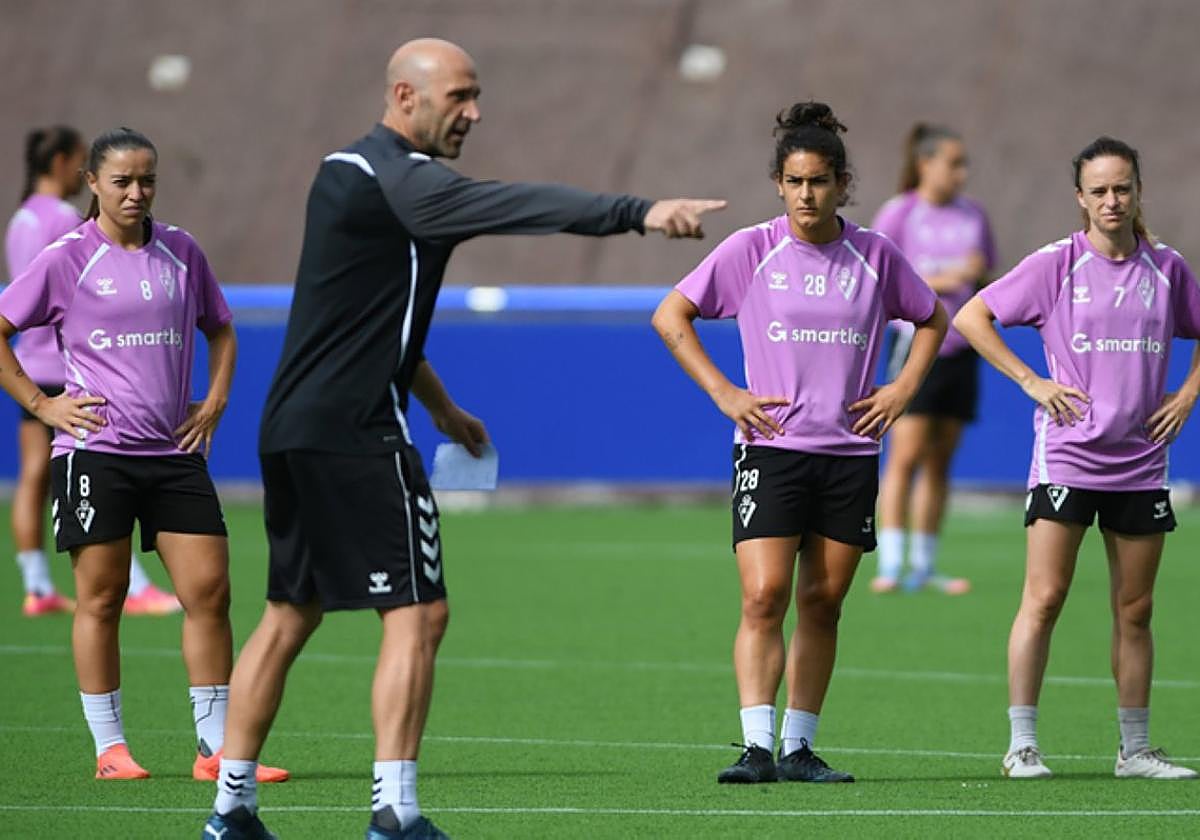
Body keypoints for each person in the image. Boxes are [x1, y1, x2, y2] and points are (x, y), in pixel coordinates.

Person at [202, 37, 725, 840]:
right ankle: (395, 813)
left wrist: (441, 408)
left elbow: (370, 322)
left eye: (477, 96)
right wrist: (639, 213)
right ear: (406, 97)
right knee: (418, 614)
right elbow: (517, 206)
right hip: (356, 433)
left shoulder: (347, 174)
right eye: (460, 97)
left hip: (294, 427)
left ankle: (230, 808)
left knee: (289, 612)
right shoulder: (404, 183)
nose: (474, 113)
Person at [652, 102, 947, 786]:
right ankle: (755, 746)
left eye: (819, 181)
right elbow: (672, 314)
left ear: (843, 183)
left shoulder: (875, 255)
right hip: (771, 448)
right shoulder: (752, 250)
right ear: (779, 185)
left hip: (849, 453)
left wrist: (902, 390)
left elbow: (933, 319)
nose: (807, 195)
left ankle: (799, 747)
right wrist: (726, 394)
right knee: (764, 596)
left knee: (823, 602)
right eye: (794, 182)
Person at [0, 128, 286, 784]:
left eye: (146, 180)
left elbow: (221, 329)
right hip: (95, 454)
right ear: (92, 183)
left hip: (174, 451)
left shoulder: (183, 250)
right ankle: (111, 750)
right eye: (122, 181)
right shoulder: (66, 257)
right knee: (101, 598)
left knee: (210, 592)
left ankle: (216, 750)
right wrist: (44, 408)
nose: (136, 192)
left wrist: (213, 401)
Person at [954, 136, 1200, 780]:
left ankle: (1135, 750)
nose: (1112, 201)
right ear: (1080, 199)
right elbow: (973, 317)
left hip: (1141, 462)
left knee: (1136, 609)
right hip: (1067, 458)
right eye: (1099, 191)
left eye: (1122, 188)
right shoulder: (1055, 265)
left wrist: (1188, 394)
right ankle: (1022, 745)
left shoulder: (1167, 269)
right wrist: (1031, 381)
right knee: (1045, 598)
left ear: (1138, 189)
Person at [5, 125, 181, 617]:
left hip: (29, 360)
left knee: (34, 475)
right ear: (66, 164)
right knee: (98, 472)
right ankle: (136, 584)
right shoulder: (66, 221)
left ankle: (38, 584)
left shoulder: (21, 218)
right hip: (72, 364)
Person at [871, 123, 996, 595]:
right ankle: (890, 563)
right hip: (915, 347)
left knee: (942, 459)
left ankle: (925, 566)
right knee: (904, 455)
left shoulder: (974, 216)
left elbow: (986, 274)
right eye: (954, 163)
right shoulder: (900, 213)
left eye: (965, 165)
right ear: (926, 164)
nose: (962, 173)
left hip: (961, 349)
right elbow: (877, 274)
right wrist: (941, 279)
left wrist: (977, 274)